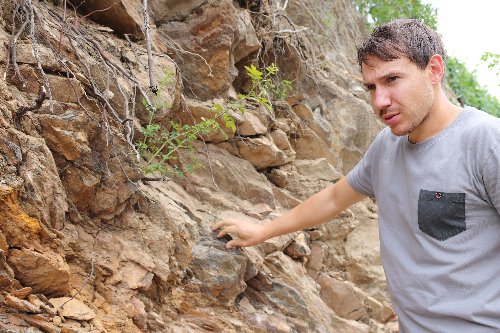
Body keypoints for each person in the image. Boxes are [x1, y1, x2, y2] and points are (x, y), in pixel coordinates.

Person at [213, 19, 500, 332]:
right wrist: (264, 230)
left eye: (393, 79)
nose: (380, 101)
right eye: (372, 87)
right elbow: (336, 197)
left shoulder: (485, 141)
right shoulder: (386, 147)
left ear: (433, 70)